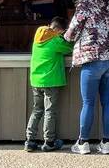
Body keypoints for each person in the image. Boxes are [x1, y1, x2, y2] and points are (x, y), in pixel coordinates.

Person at [64, 0, 109, 155]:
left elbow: (71, 33)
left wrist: (64, 37)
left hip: (92, 58)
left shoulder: (84, 5)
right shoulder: (107, 6)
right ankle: (107, 143)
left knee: (88, 102)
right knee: (108, 101)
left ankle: (83, 142)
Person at [25, 16, 73, 151]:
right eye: (62, 32)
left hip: (36, 80)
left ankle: (30, 140)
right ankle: (49, 142)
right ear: (58, 30)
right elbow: (70, 48)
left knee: (36, 110)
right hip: (50, 81)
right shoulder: (55, 41)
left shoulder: (37, 39)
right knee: (49, 111)